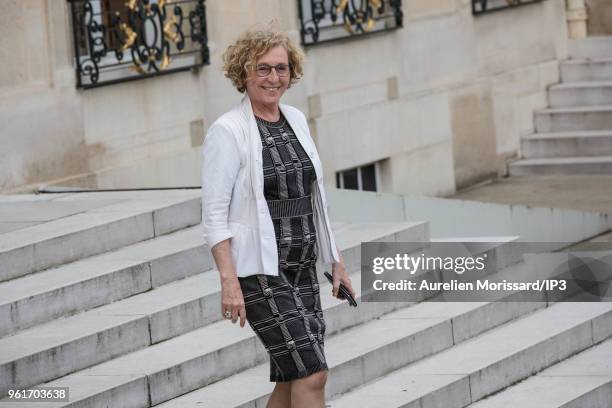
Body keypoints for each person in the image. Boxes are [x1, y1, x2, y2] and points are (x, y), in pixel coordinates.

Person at [200, 25, 356, 408]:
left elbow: (316, 198)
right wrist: (229, 282)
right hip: (259, 272)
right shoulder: (228, 131)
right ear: (244, 73)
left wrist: (337, 262)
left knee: (291, 379)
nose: (274, 78)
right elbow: (214, 214)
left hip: (302, 267)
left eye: (281, 68)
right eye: (263, 69)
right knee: (312, 373)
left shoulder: (296, 119)